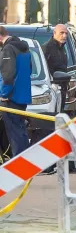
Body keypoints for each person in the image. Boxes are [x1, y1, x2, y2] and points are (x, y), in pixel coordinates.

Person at [0, 27, 31, 156]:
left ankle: (19, 165)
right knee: (21, 131)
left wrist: (3, 94)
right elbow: (29, 70)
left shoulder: (8, 49)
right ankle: (26, 160)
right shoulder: (24, 48)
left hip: (11, 98)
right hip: (23, 96)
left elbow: (8, 76)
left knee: (14, 134)